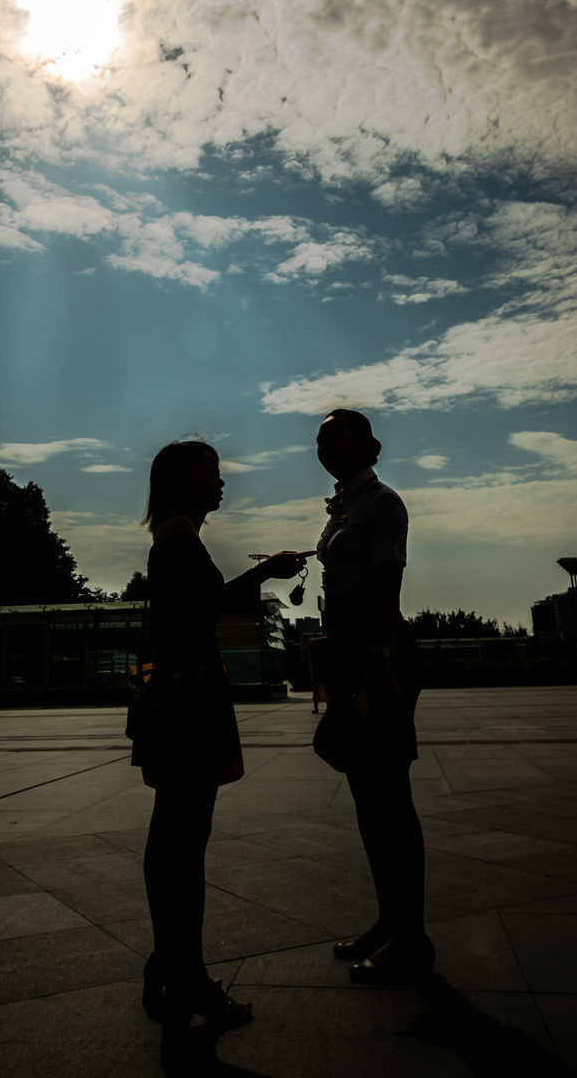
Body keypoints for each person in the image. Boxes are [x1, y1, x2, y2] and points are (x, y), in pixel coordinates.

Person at [131, 439, 309, 1072]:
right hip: (190, 702)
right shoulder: (180, 535)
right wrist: (266, 573)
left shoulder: (173, 535)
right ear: (183, 482)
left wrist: (261, 575)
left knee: (170, 840)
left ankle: (168, 965)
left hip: (173, 700)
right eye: (212, 471)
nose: (222, 481)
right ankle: (190, 976)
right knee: (185, 843)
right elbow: (205, 608)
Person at [313, 409, 433, 984]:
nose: (324, 443)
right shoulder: (344, 504)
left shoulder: (381, 502)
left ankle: (412, 937)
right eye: (319, 437)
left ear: (367, 443)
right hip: (350, 653)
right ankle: (389, 920)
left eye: (334, 433)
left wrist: (380, 659)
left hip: (376, 656)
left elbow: (389, 583)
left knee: (388, 792)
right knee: (366, 792)